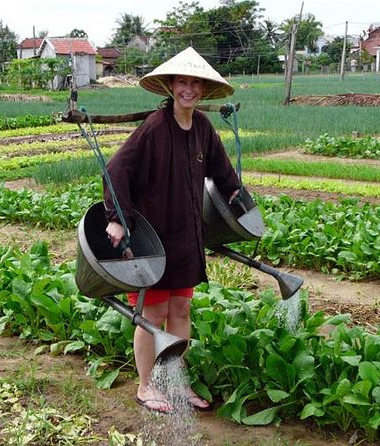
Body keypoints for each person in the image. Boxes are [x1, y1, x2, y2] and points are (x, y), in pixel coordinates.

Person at [103, 47, 240, 413]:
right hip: (154, 239)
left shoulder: (202, 129)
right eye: (182, 81)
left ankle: (176, 383)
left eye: (195, 83)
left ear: (203, 89)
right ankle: (147, 386)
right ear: (170, 85)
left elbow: (222, 171)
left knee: (180, 309)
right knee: (153, 315)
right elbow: (117, 171)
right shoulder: (154, 128)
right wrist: (117, 217)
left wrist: (237, 196)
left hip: (186, 237)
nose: (189, 89)